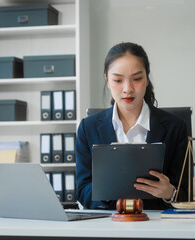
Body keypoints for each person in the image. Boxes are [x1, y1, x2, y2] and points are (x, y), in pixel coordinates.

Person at [75, 42, 188, 209]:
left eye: (136, 79)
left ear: (147, 78)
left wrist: (169, 193)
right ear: (107, 80)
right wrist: (105, 192)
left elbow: (186, 193)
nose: (127, 89)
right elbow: (82, 189)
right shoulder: (88, 127)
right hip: (109, 226)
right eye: (118, 80)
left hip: (157, 226)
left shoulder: (174, 127)